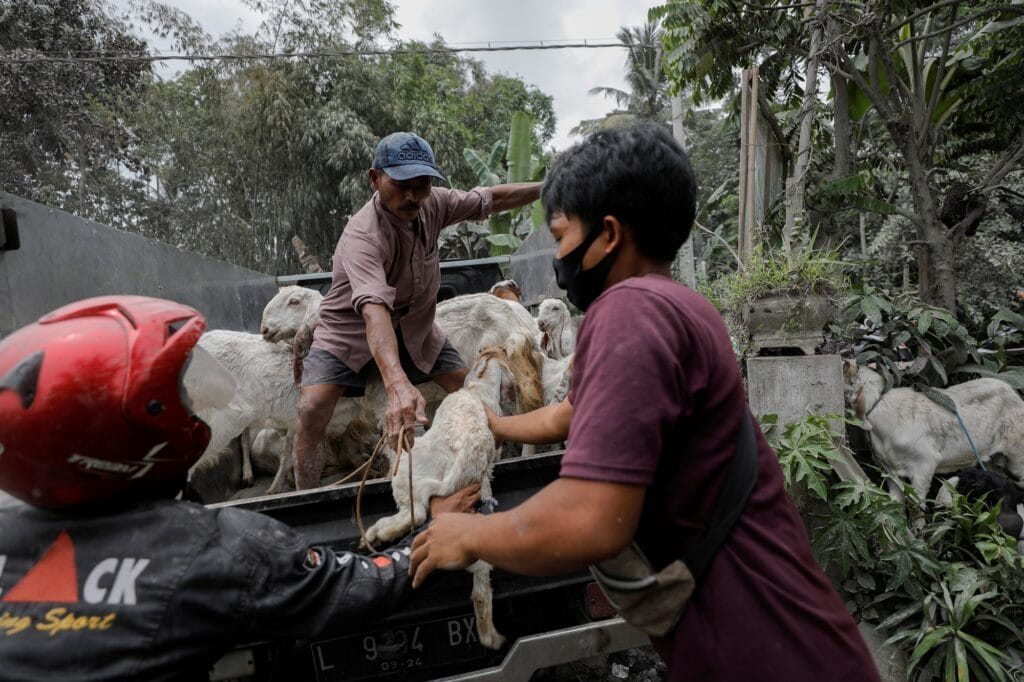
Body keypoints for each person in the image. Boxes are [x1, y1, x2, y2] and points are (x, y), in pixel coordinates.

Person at [408, 124, 881, 681]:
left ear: (608, 234)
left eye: (561, 236)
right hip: (789, 642)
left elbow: (592, 518)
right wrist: (496, 425)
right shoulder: (678, 305)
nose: (558, 256)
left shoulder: (626, 311)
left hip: (767, 649)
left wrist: (469, 535)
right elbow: (573, 413)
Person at [0, 296, 479, 681]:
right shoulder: (216, 548)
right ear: (124, 435)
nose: (191, 410)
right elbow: (354, 587)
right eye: (175, 400)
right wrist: (435, 531)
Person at [294, 131, 541, 489]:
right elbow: (374, 311)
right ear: (374, 179)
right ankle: (306, 502)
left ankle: (483, 482)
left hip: (417, 330)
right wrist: (397, 386)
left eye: (421, 184)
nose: (412, 195)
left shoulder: (434, 203)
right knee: (311, 410)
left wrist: (547, 187)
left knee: (476, 392)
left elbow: (489, 198)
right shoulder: (362, 235)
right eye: (401, 184)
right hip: (349, 332)